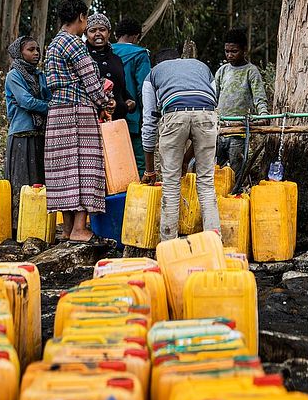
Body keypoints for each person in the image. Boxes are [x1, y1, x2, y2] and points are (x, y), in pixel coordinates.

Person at [42, 0, 113, 242]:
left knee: (63, 170)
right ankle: (80, 229)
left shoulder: (53, 44)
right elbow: (92, 83)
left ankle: (67, 229)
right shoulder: (74, 43)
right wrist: (106, 102)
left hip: (56, 113)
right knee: (84, 167)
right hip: (77, 111)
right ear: (81, 17)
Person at [141, 46, 220, 241]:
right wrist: (186, 159)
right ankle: (214, 244)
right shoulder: (202, 67)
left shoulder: (153, 75)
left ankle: (169, 246)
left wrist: (149, 170)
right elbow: (211, 105)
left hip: (174, 114)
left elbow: (149, 123)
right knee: (206, 183)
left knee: (170, 185)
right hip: (207, 114)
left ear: (158, 64)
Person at [4, 35, 49, 216]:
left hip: (40, 133)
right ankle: (18, 224)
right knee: (21, 181)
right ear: (19, 53)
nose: (36, 53)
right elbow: (26, 101)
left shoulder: (40, 76)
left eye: (37, 49)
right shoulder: (13, 75)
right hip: (21, 134)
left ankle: (38, 222)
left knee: (38, 181)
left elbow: (47, 96)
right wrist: (51, 107)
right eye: (31, 50)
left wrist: (45, 104)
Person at [214, 28, 268, 180]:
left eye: (234, 51)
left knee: (236, 168)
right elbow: (213, 97)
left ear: (244, 50)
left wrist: (263, 115)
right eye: (227, 51)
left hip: (239, 130)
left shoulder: (251, 71)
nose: (229, 55)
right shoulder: (222, 71)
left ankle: (236, 191)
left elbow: (259, 97)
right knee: (216, 170)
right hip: (220, 128)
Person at [112, 19, 152, 167]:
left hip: (107, 115)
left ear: (116, 35)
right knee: (138, 160)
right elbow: (144, 88)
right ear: (136, 37)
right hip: (132, 116)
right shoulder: (140, 54)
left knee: (112, 160)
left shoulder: (105, 52)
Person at [85, 12, 135, 121]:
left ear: (109, 33)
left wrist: (129, 102)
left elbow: (121, 88)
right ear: (86, 34)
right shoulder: (83, 59)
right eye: (92, 30)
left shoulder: (116, 60)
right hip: (91, 121)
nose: (98, 34)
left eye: (102, 30)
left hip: (117, 121)